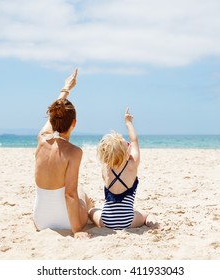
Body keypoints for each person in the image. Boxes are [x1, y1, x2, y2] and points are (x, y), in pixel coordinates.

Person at [33, 68, 93, 239]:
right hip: (66, 220)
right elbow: (70, 194)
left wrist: (66, 88)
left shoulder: (41, 139)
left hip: (39, 221)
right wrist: (76, 230)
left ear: (51, 120)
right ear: (74, 123)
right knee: (81, 193)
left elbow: (54, 113)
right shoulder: (74, 152)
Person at [88, 108, 158, 230]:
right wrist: (128, 122)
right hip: (128, 221)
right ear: (125, 151)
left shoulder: (105, 168)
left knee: (91, 210)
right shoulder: (132, 165)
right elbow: (134, 140)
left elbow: (116, 157)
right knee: (147, 215)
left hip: (106, 221)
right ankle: (156, 226)